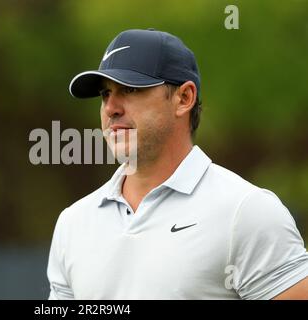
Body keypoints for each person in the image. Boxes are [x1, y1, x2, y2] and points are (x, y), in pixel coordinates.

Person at [46, 28, 308, 299]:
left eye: (131, 89)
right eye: (105, 94)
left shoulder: (247, 213)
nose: (111, 108)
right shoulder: (73, 224)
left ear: (184, 98)